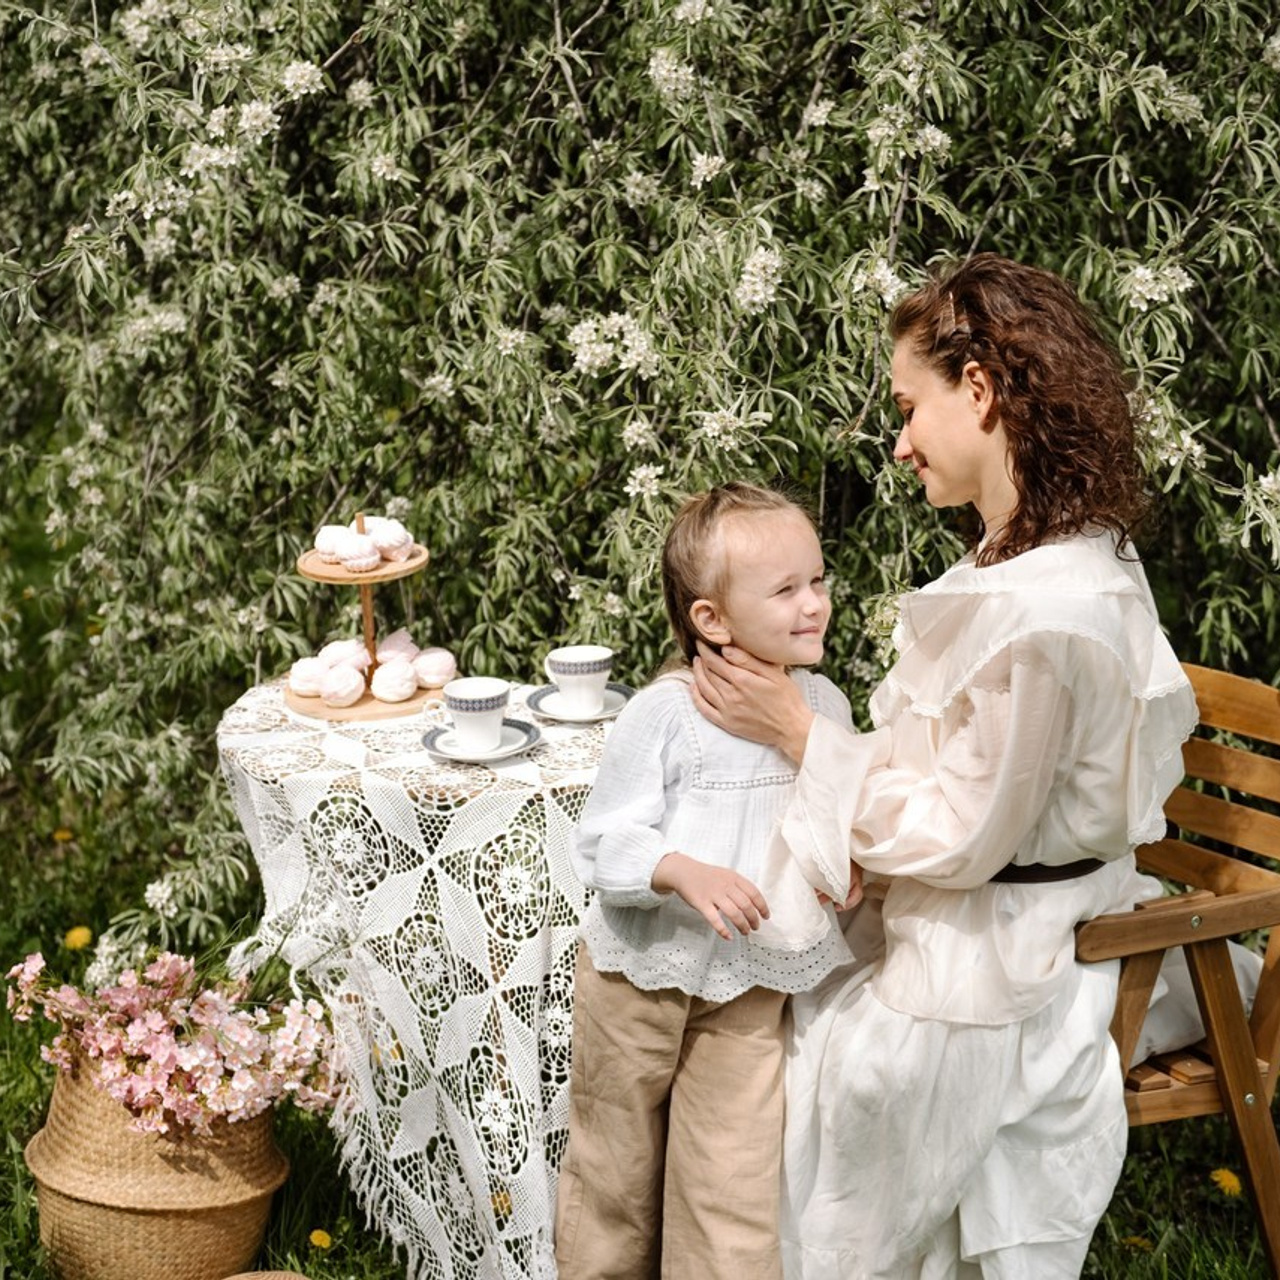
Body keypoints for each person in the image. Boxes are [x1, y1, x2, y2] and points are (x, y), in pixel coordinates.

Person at [691, 254, 1206, 1279]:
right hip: (972, 914)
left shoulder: (1049, 614)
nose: (896, 441)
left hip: (1016, 950)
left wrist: (801, 735)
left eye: (907, 406)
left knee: (821, 1077)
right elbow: (955, 781)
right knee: (728, 999)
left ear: (976, 391)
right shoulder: (1016, 560)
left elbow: (963, 839)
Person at [554, 482, 870, 1280]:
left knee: (730, 1184)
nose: (814, 605)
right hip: (639, 981)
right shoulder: (666, 713)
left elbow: (831, 814)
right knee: (615, 1178)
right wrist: (679, 868)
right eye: (786, 589)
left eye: (818, 581)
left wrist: (842, 870)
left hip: (750, 984)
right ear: (712, 620)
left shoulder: (822, 707)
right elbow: (600, 841)